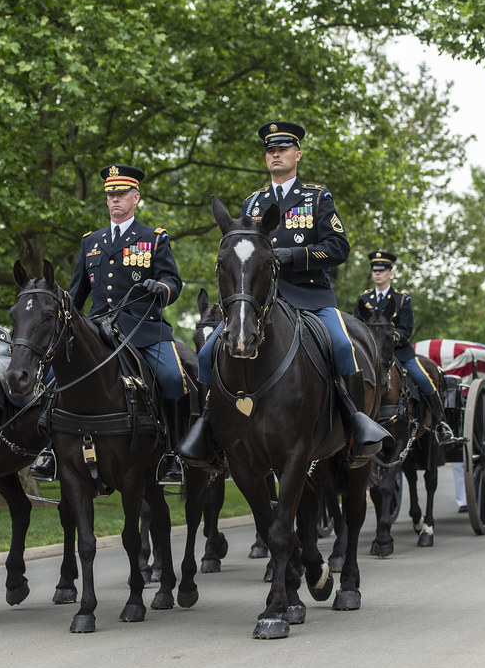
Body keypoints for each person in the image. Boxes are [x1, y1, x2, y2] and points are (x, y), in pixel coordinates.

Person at [184, 121, 392, 470]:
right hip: (261, 302)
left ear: (297, 154)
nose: (275, 154)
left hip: (311, 298)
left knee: (344, 347)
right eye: (270, 150)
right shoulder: (253, 203)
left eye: (282, 149)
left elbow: (339, 247)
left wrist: (293, 256)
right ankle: (207, 426)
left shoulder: (316, 198)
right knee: (207, 353)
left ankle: (357, 426)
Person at [31, 164, 190, 484]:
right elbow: (75, 295)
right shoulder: (91, 242)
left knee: (174, 378)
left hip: (142, 328)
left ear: (136, 197)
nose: (115, 200)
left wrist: (163, 289)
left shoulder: (153, 238)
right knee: (47, 378)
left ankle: (172, 456)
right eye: (110, 195)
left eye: (121, 194)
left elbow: (173, 280)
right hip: (97, 329)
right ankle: (49, 451)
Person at [352, 250, 456, 445]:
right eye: (375, 270)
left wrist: (391, 339)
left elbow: (406, 329)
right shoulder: (363, 299)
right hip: (371, 355)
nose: (377, 274)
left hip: (399, 352)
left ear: (390, 273)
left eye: (382, 270)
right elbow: (356, 326)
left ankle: (442, 425)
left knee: (423, 379)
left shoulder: (401, 299)